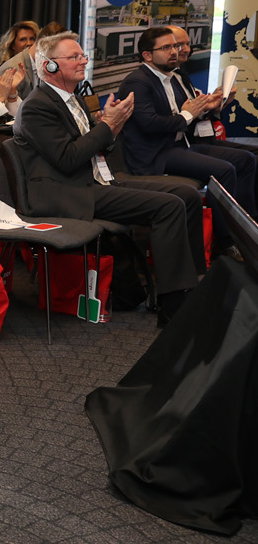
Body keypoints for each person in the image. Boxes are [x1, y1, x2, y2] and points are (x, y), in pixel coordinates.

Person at [14, 31, 198, 326]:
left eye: (82, 55)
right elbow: (68, 159)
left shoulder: (72, 99)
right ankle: (173, 304)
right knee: (169, 206)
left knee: (186, 195)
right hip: (68, 192)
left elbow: (98, 147)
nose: (83, 61)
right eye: (74, 57)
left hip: (94, 180)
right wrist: (108, 126)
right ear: (49, 65)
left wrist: (112, 128)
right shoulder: (38, 105)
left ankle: (193, 281)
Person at [115, 24, 255, 248]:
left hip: (182, 145)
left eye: (175, 46)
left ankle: (249, 225)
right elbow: (149, 124)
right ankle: (226, 241)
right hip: (157, 154)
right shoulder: (138, 82)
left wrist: (209, 107)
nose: (174, 52)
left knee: (246, 160)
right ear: (147, 55)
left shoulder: (172, 77)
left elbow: (188, 117)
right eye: (166, 48)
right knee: (225, 170)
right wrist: (187, 114)